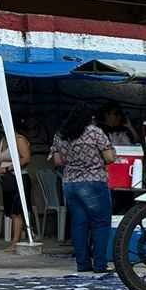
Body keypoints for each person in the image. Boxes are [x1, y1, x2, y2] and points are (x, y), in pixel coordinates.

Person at [49, 106, 116, 274]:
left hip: (70, 183)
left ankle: (82, 263)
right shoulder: (95, 132)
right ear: (90, 118)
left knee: (79, 224)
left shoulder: (61, 134)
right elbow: (109, 158)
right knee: (100, 223)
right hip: (93, 182)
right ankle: (100, 264)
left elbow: (57, 161)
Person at [0, 130, 32, 252]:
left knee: (16, 211)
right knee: (10, 211)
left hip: (19, 178)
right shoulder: (3, 140)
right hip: (7, 180)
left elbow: (26, 158)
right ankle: (29, 233)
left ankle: (16, 242)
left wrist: (7, 168)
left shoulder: (19, 139)